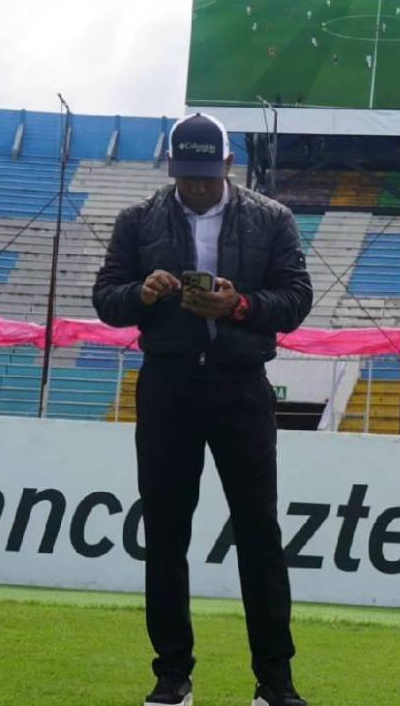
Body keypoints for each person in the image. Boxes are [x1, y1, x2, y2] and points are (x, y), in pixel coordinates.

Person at [93, 114, 311, 706]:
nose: (194, 187)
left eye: (205, 176)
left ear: (229, 167)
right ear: (172, 169)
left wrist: (237, 306)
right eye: (185, 176)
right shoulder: (138, 220)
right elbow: (105, 299)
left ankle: (274, 680)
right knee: (164, 534)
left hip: (241, 385)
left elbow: (296, 301)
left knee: (259, 533)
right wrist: (140, 293)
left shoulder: (273, 219)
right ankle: (171, 675)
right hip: (168, 385)